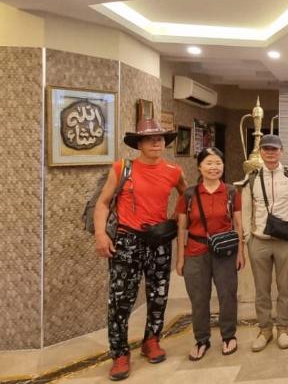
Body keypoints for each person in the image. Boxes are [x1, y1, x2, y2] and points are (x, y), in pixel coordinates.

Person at [93, 119, 186, 381]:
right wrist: (101, 234)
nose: (156, 142)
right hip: (127, 240)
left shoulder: (173, 171)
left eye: (160, 138)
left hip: (158, 241)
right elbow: (103, 203)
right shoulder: (123, 168)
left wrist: (176, 216)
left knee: (158, 295)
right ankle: (120, 353)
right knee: (121, 300)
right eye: (149, 139)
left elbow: (185, 195)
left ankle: (152, 340)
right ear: (140, 144)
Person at [176, 147, 244, 360]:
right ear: (200, 167)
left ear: (223, 166)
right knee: (199, 298)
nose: (214, 167)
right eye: (209, 163)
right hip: (195, 252)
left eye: (218, 163)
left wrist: (241, 253)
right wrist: (180, 259)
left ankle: (228, 335)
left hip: (225, 251)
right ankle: (201, 339)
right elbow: (181, 228)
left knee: (227, 295)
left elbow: (238, 224)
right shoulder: (189, 194)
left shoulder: (232, 192)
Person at [240, 135, 288, 352]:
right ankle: (265, 329)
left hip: (285, 241)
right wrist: (249, 238)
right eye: (266, 149)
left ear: (282, 151)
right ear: (260, 152)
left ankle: (283, 328)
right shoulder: (252, 177)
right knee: (262, 289)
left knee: (285, 288)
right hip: (259, 241)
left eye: (274, 149)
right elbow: (247, 209)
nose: (270, 152)